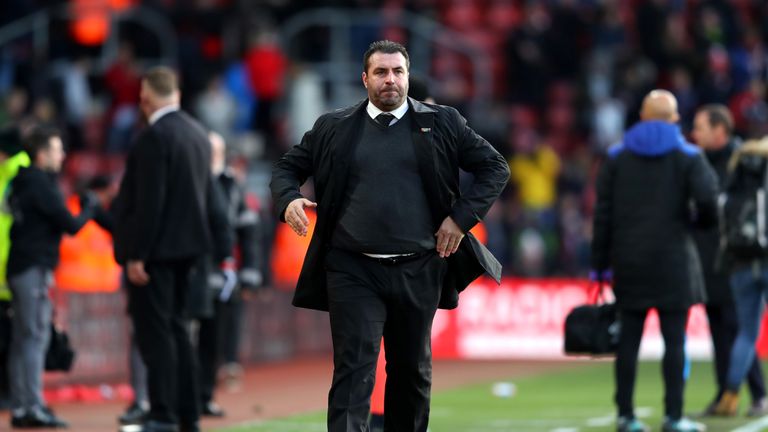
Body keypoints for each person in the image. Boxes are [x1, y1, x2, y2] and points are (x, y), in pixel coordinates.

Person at [270, 40, 509, 432]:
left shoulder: (443, 122)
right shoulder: (335, 126)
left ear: (408, 77)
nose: (390, 80)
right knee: (353, 370)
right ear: (365, 79)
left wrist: (460, 219)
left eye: (398, 72)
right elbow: (286, 168)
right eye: (381, 72)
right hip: (352, 269)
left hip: (419, 267)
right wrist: (289, 200)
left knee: (411, 372)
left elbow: (495, 167)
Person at [592, 90, 718, 432]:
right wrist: (697, 225)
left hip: (629, 261)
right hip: (674, 259)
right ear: (675, 118)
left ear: (643, 117)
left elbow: (602, 214)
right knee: (674, 341)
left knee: (629, 343)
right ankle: (674, 417)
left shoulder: (617, 156)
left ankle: (625, 415)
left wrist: (599, 264)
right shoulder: (688, 155)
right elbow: (708, 201)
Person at [111, 66, 229, 432]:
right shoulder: (198, 135)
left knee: (156, 334)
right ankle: (187, 415)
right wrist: (221, 247)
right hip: (191, 253)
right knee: (179, 332)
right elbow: (213, 201)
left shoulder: (152, 138)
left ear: (145, 98)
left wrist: (137, 254)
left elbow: (150, 203)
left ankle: (161, 414)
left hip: (157, 255)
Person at [6, 126, 96, 428]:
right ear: (42, 154)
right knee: (33, 337)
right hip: (33, 267)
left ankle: (22, 406)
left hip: (21, 267)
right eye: (57, 150)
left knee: (23, 338)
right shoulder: (39, 183)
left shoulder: (20, 182)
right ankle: (33, 406)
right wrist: (89, 209)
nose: (62, 155)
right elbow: (70, 224)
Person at [691, 104, 767, 417]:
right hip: (715, 261)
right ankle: (727, 394)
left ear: (720, 130)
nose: (694, 133)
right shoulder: (698, 161)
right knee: (723, 331)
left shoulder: (741, 163)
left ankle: (756, 393)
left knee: (740, 330)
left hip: (733, 258)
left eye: (700, 127)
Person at [195, 131, 264, 418]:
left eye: (215, 151)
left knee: (213, 337)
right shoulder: (192, 180)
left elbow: (248, 232)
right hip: (194, 270)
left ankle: (205, 395)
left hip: (222, 273)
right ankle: (185, 396)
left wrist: (250, 273)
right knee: (189, 337)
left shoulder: (231, 185)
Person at [713, 136, 768, 416]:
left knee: (746, 333)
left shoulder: (733, 182)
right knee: (746, 332)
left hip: (741, 265)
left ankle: (730, 395)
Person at [0, 127, 30, 409]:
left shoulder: (14, 173)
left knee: (12, 335)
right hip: (12, 264)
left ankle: (12, 395)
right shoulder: (17, 171)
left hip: (10, 264)